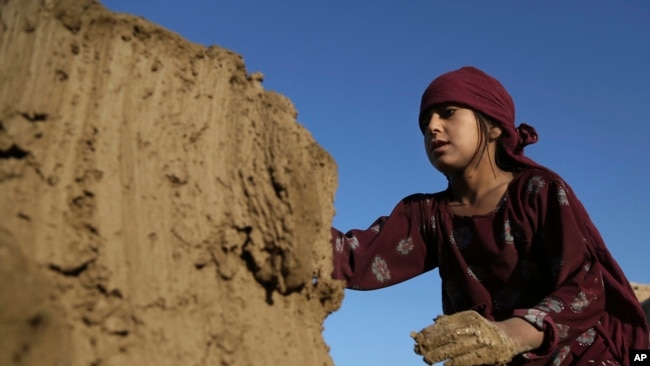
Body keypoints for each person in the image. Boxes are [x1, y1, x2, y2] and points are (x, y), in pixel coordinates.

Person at [330, 66, 649, 365]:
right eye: (426, 121)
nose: (432, 126)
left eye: (448, 113)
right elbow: (354, 259)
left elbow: (584, 287)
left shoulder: (537, 191)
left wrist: (511, 333)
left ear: (494, 125)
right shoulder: (428, 215)